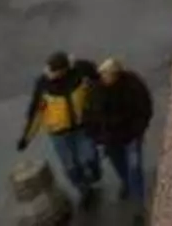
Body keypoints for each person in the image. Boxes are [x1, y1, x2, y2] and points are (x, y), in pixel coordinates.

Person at [17, 52, 102, 206]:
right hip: (59, 134)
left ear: (64, 70)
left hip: (82, 127)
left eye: (54, 71)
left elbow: (98, 80)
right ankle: (84, 190)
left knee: (88, 157)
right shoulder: (44, 86)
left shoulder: (81, 72)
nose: (50, 74)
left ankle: (94, 174)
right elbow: (37, 113)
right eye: (50, 70)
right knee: (70, 167)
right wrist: (26, 138)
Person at [87, 58, 154, 207]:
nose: (105, 78)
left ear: (117, 74)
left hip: (131, 135)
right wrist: (96, 136)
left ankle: (138, 202)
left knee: (134, 167)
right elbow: (90, 113)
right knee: (119, 165)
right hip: (110, 138)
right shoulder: (95, 89)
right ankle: (126, 182)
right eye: (103, 75)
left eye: (108, 75)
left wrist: (138, 129)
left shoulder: (132, 84)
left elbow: (145, 107)